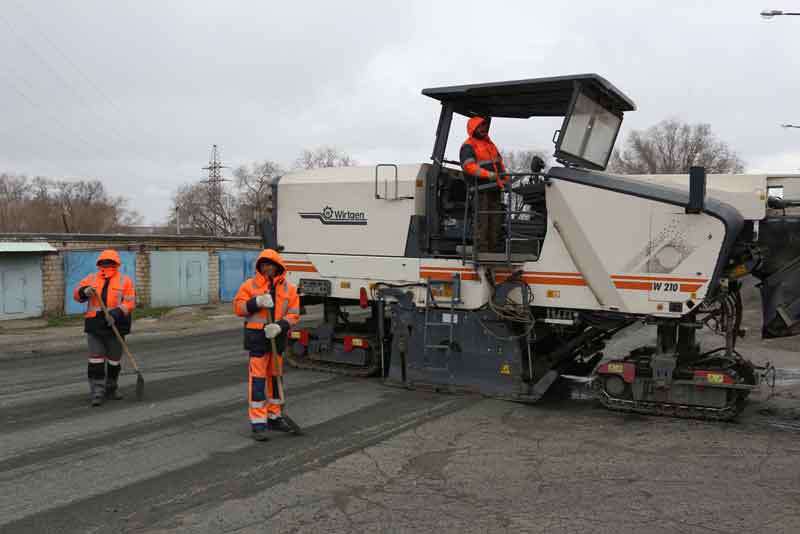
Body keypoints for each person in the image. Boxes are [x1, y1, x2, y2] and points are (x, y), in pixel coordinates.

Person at [233, 249, 300, 441]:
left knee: (275, 379)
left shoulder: (289, 289)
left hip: (276, 339)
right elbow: (238, 308)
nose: (267, 268)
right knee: (259, 380)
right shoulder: (250, 285)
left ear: (278, 266)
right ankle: (258, 423)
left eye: (271, 264)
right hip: (257, 339)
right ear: (260, 266)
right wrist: (256, 302)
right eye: (264, 264)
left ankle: (274, 416)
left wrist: (280, 326)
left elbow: (294, 313)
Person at [73, 250, 135, 406]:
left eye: (109, 262)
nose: (106, 264)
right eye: (104, 262)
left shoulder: (125, 280)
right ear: (99, 263)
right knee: (96, 360)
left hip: (116, 325)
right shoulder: (91, 278)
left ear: (116, 263)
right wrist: (83, 291)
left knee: (114, 361)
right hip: (95, 325)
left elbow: (129, 303)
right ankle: (97, 392)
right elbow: (76, 295)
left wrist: (115, 314)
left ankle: (111, 388)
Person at [459, 116, 508, 252]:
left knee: (496, 223)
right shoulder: (468, 146)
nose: (483, 129)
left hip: (495, 190)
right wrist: (487, 174)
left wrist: (506, 181)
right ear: (473, 129)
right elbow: (469, 166)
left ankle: (492, 251)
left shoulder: (490, 145)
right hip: (480, 191)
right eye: (480, 126)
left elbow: (500, 165)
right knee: (483, 223)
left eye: (484, 126)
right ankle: (481, 253)